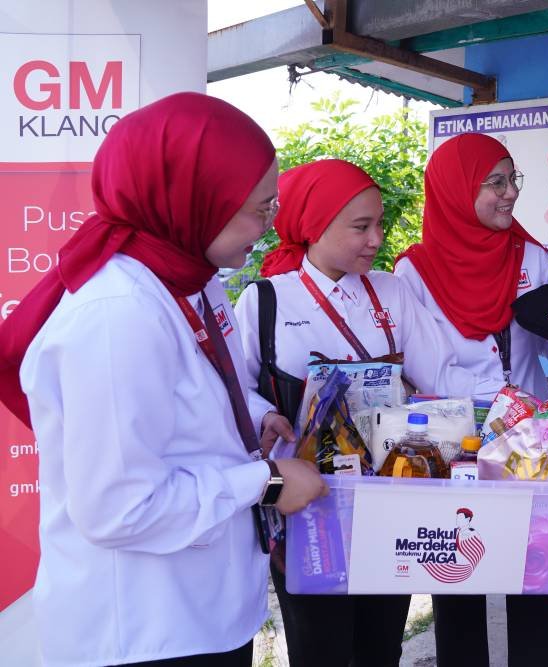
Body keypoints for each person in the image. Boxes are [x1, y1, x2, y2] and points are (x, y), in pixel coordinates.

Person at [0, 92, 328, 667]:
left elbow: (193, 389)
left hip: (201, 609)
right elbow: (120, 509)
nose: (271, 224)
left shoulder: (187, 274)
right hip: (145, 633)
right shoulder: (119, 312)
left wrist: (255, 416)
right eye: (260, 207)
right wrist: (268, 483)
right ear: (195, 201)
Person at [233, 158, 503, 667]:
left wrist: (511, 403)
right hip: (308, 506)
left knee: (381, 642)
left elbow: (442, 375)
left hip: (390, 500)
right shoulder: (266, 300)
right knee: (319, 646)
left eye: (379, 224)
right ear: (314, 224)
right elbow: (234, 388)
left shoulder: (392, 292)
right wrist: (266, 412)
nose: (377, 239)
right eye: (361, 226)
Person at [395, 132, 548, 666]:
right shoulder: (414, 271)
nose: (510, 193)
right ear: (455, 189)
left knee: (529, 575)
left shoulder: (531, 257)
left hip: (529, 443)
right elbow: (419, 364)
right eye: (495, 182)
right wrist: (481, 408)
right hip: (456, 443)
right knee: (458, 576)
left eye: (514, 180)